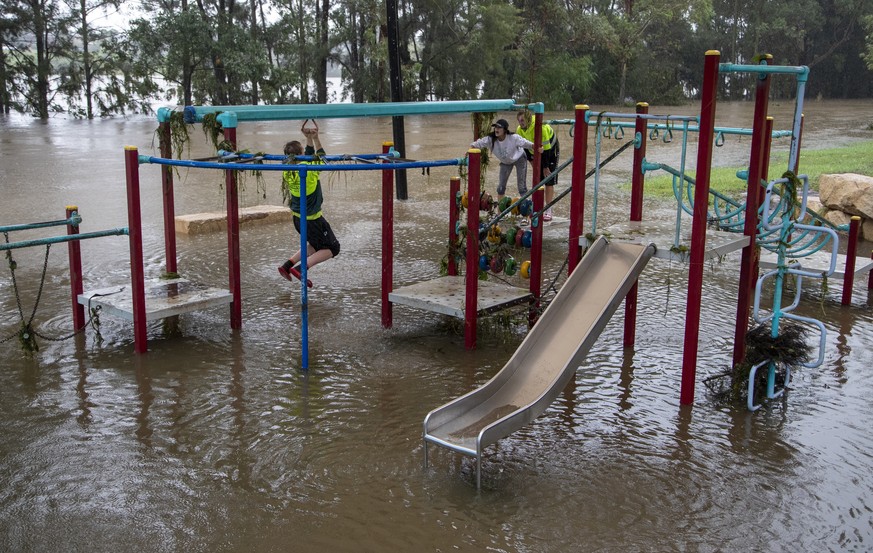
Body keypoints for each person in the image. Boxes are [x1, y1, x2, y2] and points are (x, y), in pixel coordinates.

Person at [278, 127, 340, 288]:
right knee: (333, 247)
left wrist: (309, 138)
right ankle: (301, 269)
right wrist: (316, 137)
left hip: (297, 218)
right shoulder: (309, 169)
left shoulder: (288, 169)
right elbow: (321, 156)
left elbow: (309, 155)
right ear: (301, 153)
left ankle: (287, 265)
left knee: (315, 245)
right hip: (312, 219)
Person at [470, 119, 538, 205]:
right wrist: (471, 148)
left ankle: (527, 214)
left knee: (521, 187)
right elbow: (478, 143)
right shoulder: (490, 139)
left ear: (505, 130)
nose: (496, 129)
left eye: (499, 128)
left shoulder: (513, 138)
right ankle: (500, 214)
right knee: (501, 187)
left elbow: (526, 143)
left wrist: (536, 146)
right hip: (505, 162)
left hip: (519, 158)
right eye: (495, 127)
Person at [516, 110, 560, 221]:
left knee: (548, 179)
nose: (521, 123)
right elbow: (523, 147)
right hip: (535, 151)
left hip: (550, 149)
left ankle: (549, 210)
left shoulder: (540, 127)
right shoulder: (519, 130)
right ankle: (537, 208)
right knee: (538, 180)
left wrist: (545, 167)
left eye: (523, 120)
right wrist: (531, 160)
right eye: (519, 121)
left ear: (528, 119)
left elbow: (547, 149)